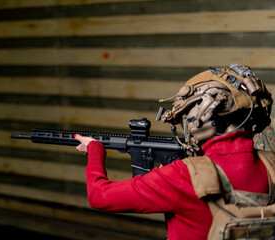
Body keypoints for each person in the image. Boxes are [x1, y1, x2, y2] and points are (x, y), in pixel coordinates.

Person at [74, 64, 274, 240]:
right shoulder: (271, 164)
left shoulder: (182, 176)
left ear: (197, 119)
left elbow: (100, 196)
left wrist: (95, 149)